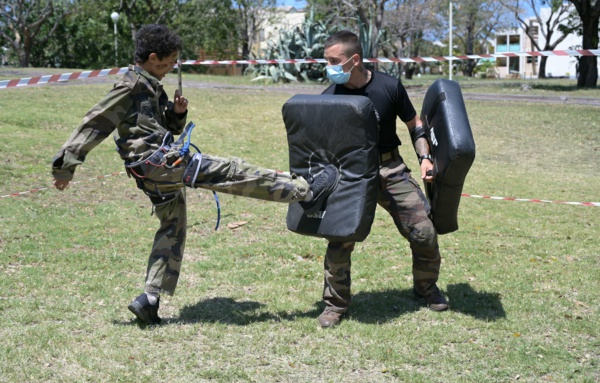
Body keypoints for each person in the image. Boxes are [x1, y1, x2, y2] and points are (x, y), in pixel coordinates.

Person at [51, 24, 338, 325]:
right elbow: (94, 122)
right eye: (169, 60)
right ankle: (306, 193)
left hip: (152, 171)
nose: (173, 66)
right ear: (152, 58)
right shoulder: (130, 85)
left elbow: (164, 129)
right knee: (232, 171)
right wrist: (66, 165)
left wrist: (176, 114)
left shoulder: (149, 84)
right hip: (160, 164)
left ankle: (149, 299)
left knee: (172, 227)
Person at [317, 30, 448, 328]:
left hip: (390, 169)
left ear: (355, 60)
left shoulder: (389, 86)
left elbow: (414, 123)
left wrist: (424, 157)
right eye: (327, 61)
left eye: (334, 61)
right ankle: (335, 305)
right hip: (350, 175)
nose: (329, 67)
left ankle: (425, 288)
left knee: (424, 231)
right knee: (339, 240)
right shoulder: (329, 98)